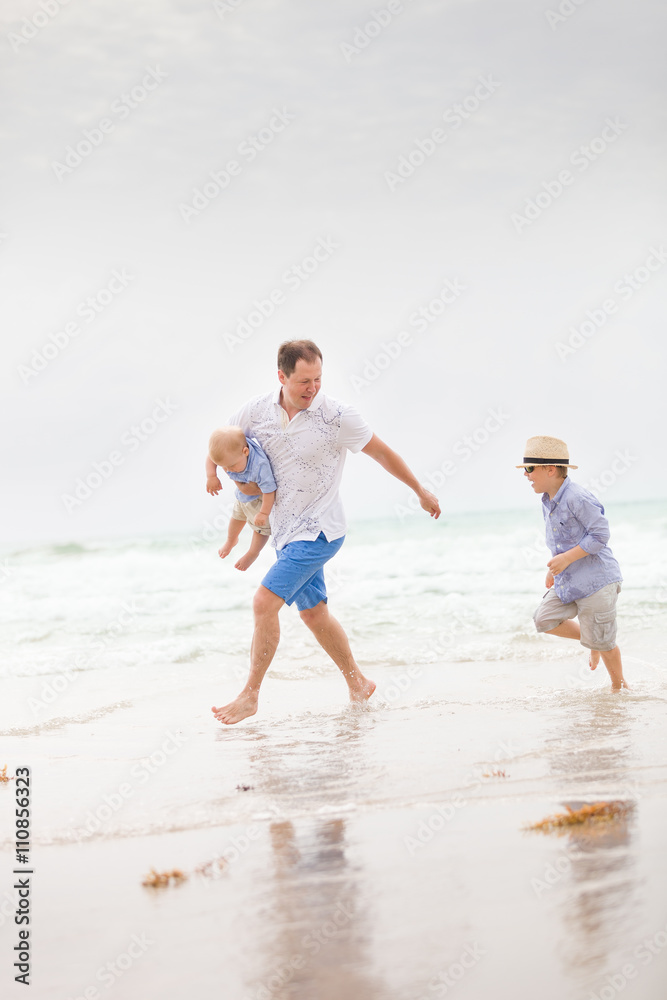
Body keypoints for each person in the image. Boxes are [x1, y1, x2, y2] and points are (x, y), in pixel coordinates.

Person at [211, 339, 441, 725]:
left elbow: (382, 452)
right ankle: (358, 682)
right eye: (303, 381)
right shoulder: (254, 412)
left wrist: (419, 490)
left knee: (263, 604)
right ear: (281, 376)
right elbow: (220, 444)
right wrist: (219, 477)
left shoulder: (337, 416)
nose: (312, 388)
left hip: (319, 532)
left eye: (318, 379)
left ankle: (250, 695)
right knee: (314, 615)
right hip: (284, 536)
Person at [518, 435, 628, 691]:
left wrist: (567, 558)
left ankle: (619, 687)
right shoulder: (547, 500)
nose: (526, 475)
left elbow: (600, 535)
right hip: (569, 578)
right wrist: (556, 570)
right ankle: (592, 641)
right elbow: (560, 542)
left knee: (605, 642)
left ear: (550, 469)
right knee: (543, 620)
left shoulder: (577, 497)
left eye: (529, 468)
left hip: (597, 581)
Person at [206, 426, 277, 572]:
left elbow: (270, 491)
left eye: (231, 465)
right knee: (236, 517)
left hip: (259, 501)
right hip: (242, 495)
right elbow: (210, 458)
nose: (229, 470)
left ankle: (252, 553)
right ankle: (231, 540)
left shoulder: (260, 466)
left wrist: (263, 513)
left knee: (261, 530)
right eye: (223, 467)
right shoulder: (231, 453)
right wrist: (212, 476)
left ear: (245, 452)